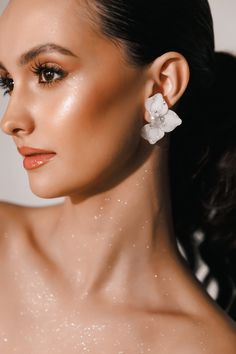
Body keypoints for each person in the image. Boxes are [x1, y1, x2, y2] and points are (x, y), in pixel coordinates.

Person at [0, 0, 235, 353]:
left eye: (48, 73)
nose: (11, 120)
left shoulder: (207, 345)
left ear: (162, 85)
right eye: (7, 83)